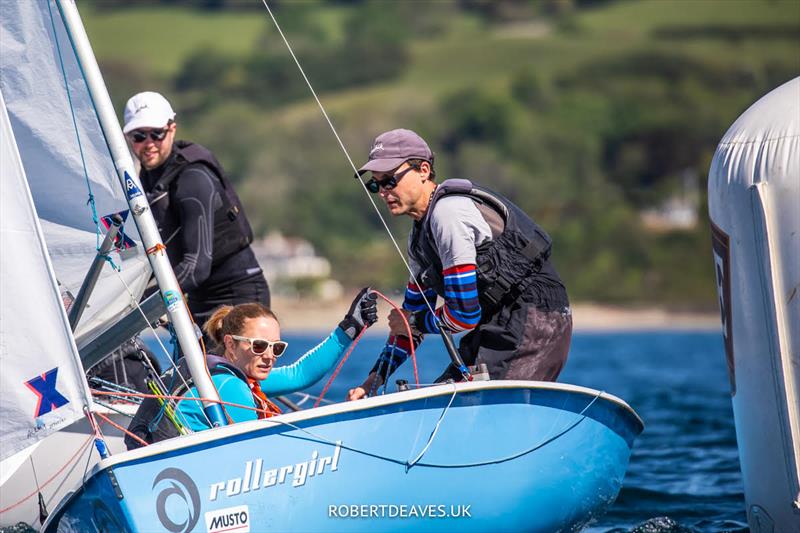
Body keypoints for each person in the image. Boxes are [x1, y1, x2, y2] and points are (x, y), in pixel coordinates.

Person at [347, 129, 572, 401]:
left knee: (473, 405)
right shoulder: (418, 241)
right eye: (376, 185)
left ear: (423, 170)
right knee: (438, 403)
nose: (383, 192)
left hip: (533, 319)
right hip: (492, 325)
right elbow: (411, 325)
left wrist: (414, 321)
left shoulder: (448, 214)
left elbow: (463, 316)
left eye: (390, 180)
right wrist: (373, 381)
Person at [125, 288, 378, 449]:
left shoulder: (220, 371)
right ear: (230, 344)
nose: (269, 356)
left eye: (276, 348)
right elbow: (254, 454)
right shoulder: (230, 386)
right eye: (259, 346)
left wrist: (350, 327)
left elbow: (299, 374)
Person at [122, 91, 269, 328]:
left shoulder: (193, 178)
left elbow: (195, 268)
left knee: (212, 366)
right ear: (128, 138)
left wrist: (136, 305)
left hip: (237, 295)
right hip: (198, 297)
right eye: (139, 136)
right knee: (188, 366)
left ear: (172, 129)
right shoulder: (145, 180)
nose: (148, 143)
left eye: (156, 134)